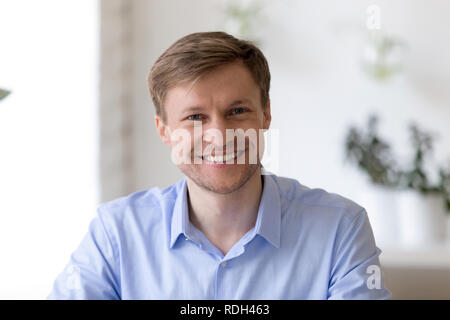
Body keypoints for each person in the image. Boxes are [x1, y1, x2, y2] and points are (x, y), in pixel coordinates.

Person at [47, 31, 391, 299]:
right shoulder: (117, 233)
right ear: (164, 130)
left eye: (237, 111)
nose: (219, 135)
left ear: (266, 114)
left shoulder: (341, 229)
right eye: (195, 117)